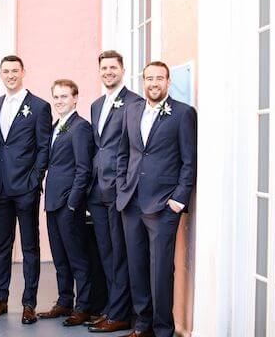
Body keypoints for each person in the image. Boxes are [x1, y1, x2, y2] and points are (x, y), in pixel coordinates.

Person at [116, 61, 197, 337]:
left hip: (163, 206)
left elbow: (189, 161)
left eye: (159, 78)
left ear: (168, 81)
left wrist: (179, 200)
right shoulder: (131, 110)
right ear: (143, 81)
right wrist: (121, 187)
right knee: (137, 266)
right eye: (149, 78)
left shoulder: (183, 114)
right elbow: (123, 153)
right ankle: (143, 325)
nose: (154, 83)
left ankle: (163, 329)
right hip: (131, 202)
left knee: (161, 269)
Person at [0, 55, 52, 324]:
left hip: (25, 189)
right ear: (0, 74)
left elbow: (43, 147)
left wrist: (34, 180)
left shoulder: (39, 106)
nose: (10, 75)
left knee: (29, 247)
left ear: (23, 72)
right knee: (2, 248)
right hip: (0, 190)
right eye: (6, 71)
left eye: (15, 70)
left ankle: (29, 304)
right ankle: (0, 299)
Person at [86, 51, 142, 333]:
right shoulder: (96, 105)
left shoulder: (135, 103)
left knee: (120, 252)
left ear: (122, 69)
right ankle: (111, 306)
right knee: (105, 252)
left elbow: (136, 149)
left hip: (119, 189)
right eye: (104, 68)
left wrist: (125, 187)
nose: (108, 72)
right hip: (96, 188)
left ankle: (120, 313)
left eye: (113, 67)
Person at [37, 79, 94, 327]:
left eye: (64, 97)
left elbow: (84, 169)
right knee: (59, 257)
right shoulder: (56, 125)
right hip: (52, 202)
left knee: (77, 258)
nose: (59, 101)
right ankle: (64, 301)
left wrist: (72, 203)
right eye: (56, 97)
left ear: (75, 98)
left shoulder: (80, 127)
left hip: (68, 204)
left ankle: (83, 307)